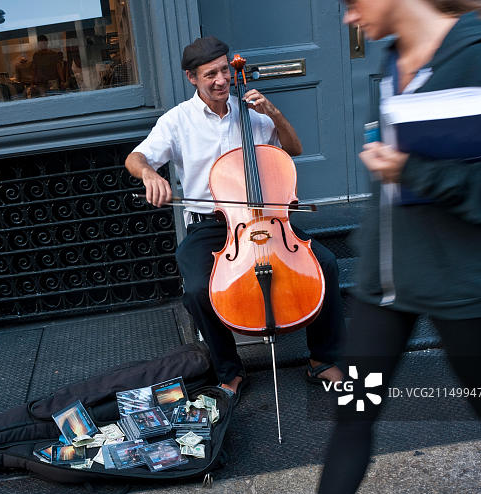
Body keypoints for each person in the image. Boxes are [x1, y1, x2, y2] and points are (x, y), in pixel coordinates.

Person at [301, 1, 481, 494]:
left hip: (464, 285)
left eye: (354, 3)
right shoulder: (390, 63)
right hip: (386, 285)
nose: (348, 18)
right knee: (352, 411)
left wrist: (417, 172)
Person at [125, 36, 346, 400]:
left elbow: (292, 150)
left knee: (327, 263)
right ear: (191, 77)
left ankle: (322, 359)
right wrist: (150, 175)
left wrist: (273, 114)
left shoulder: (253, 111)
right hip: (213, 224)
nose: (221, 80)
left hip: (267, 218)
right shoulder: (177, 121)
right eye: (210, 74)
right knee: (196, 291)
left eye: (226, 70)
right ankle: (230, 368)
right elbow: (136, 158)